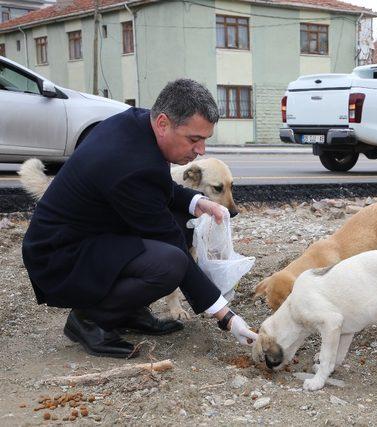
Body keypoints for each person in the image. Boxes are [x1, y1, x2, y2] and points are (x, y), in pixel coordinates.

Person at [22, 79, 257, 358]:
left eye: (204, 139)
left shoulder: (136, 124)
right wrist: (226, 316)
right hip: (59, 256)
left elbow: (158, 186)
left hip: (90, 236)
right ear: (162, 123)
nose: (201, 150)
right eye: (194, 139)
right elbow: (172, 244)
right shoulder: (130, 165)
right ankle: (89, 320)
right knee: (169, 263)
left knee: (180, 223)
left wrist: (198, 202)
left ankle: (127, 310)